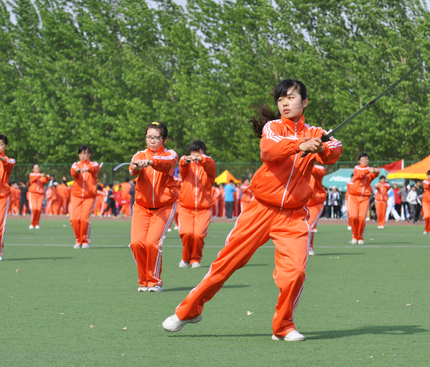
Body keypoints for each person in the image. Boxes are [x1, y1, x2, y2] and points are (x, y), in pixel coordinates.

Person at [162, 78, 342, 341]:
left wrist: (322, 147)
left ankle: (283, 327)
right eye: (280, 99)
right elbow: (269, 150)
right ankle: (188, 311)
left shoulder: (316, 132)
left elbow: (335, 148)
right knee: (226, 263)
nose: (285, 103)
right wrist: (299, 145)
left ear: (304, 102)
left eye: (291, 97)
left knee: (296, 273)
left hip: (293, 216)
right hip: (260, 210)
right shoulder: (272, 127)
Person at [129, 121, 179, 292]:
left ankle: (155, 281)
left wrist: (150, 162)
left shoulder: (170, 154)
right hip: (141, 207)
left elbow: (167, 164)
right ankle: (143, 281)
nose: (152, 140)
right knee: (136, 243)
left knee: (152, 243)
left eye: (156, 137)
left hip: (164, 207)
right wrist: (137, 166)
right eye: (149, 137)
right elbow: (133, 168)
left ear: (164, 139)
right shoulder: (139, 155)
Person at [177, 139, 216, 269]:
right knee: (187, 233)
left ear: (203, 152)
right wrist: (187, 160)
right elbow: (182, 163)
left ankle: (195, 259)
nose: (196, 155)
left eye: (199, 152)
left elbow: (209, 164)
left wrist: (201, 158)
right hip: (186, 208)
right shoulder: (187, 166)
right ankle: (185, 258)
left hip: (203, 209)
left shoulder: (209, 165)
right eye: (193, 152)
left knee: (199, 235)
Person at [70, 145, 101, 249]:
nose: (83, 156)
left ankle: (85, 240)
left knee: (84, 219)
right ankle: (78, 240)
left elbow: (95, 168)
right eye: (81, 154)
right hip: (76, 196)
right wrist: (77, 171)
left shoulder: (94, 164)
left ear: (89, 154)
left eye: (85, 153)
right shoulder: (76, 164)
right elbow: (73, 171)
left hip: (90, 197)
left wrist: (87, 169)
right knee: (74, 219)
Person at [347, 153, 379, 244]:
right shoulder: (357, 168)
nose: (365, 161)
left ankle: (360, 237)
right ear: (359, 161)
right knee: (353, 217)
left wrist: (376, 171)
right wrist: (369, 170)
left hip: (365, 197)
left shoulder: (369, 169)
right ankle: (354, 235)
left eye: (366, 159)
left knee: (362, 218)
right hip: (354, 196)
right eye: (363, 159)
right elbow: (360, 174)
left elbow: (375, 174)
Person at [306, 164, 327, 256]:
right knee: (300, 227)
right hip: (302, 202)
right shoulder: (297, 165)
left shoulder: (319, 168)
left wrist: (307, 164)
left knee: (309, 226)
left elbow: (320, 173)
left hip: (316, 203)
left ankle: (309, 247)